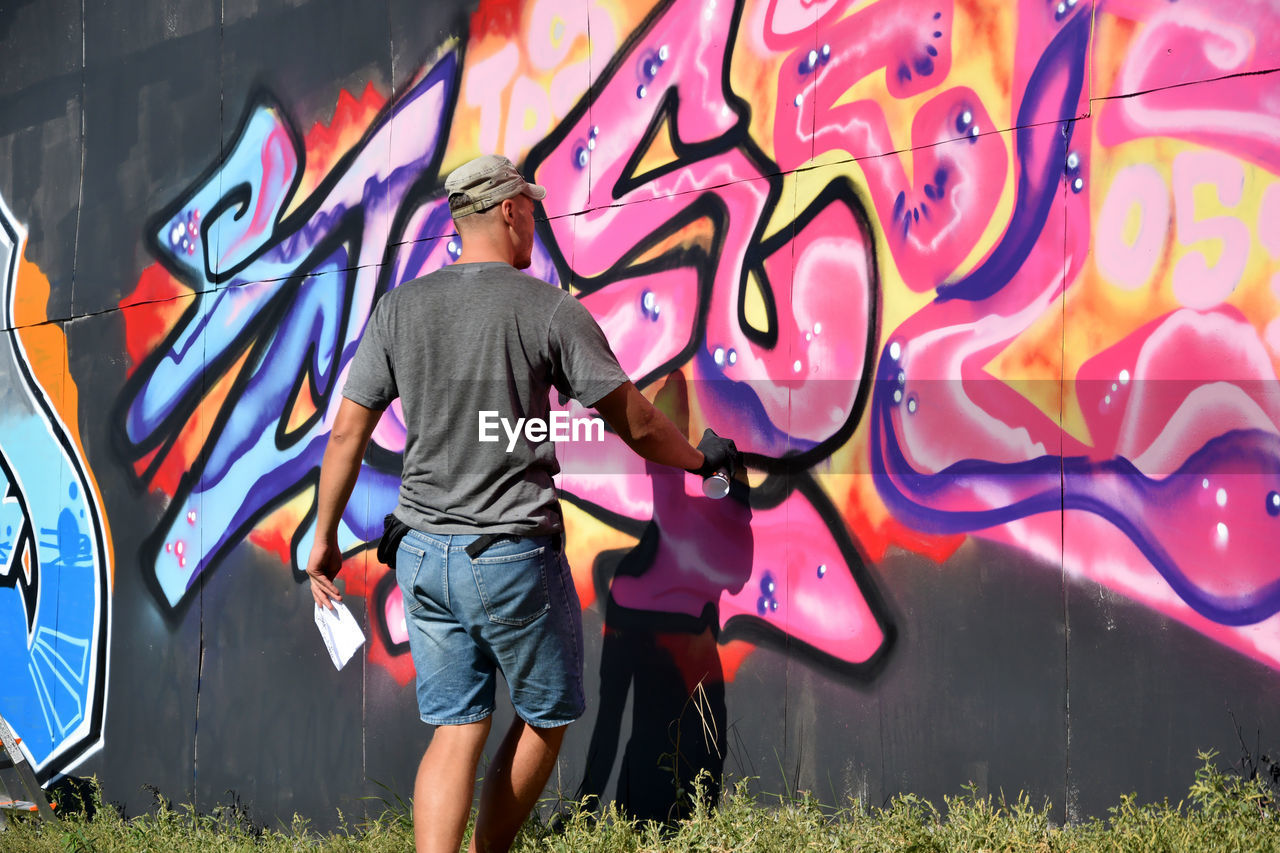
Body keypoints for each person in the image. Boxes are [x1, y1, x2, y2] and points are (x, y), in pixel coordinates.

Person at [306, 153, 742, 853]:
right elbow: (633, 417)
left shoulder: (400, 309)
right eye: (532, 208)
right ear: (509, 209)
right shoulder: (544, 307)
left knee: (456, 729)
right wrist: (699, 459)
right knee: (548, 715)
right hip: (509, 555)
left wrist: (323, 536)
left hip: (419, 555)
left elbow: (347, 434)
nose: (536, 220)